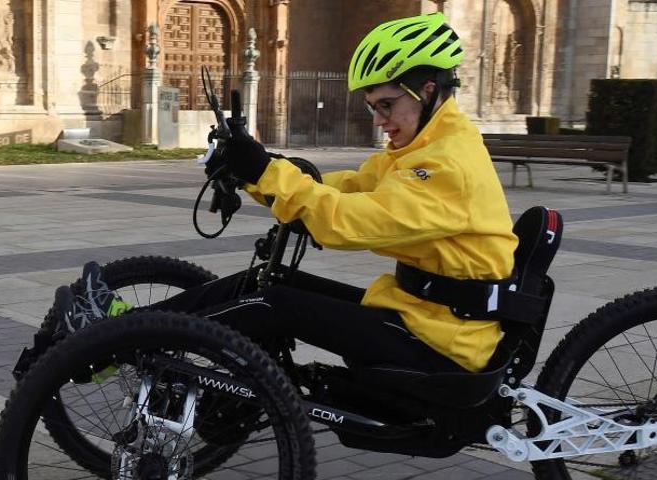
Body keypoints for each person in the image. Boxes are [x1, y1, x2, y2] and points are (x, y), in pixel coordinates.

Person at [56, 12, 517, 374]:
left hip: (444, 340)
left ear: (427, 90)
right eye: (372, 107)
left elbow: (349, 222)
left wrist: (269, 174)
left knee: (270, 304)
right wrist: (261, 170)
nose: (379, 120)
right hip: (416, 313)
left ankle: (116, 341)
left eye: (385, 105)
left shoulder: (446, 162)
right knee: (259, 284)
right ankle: (120, 327)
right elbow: (347, 188)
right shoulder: (423, 146)